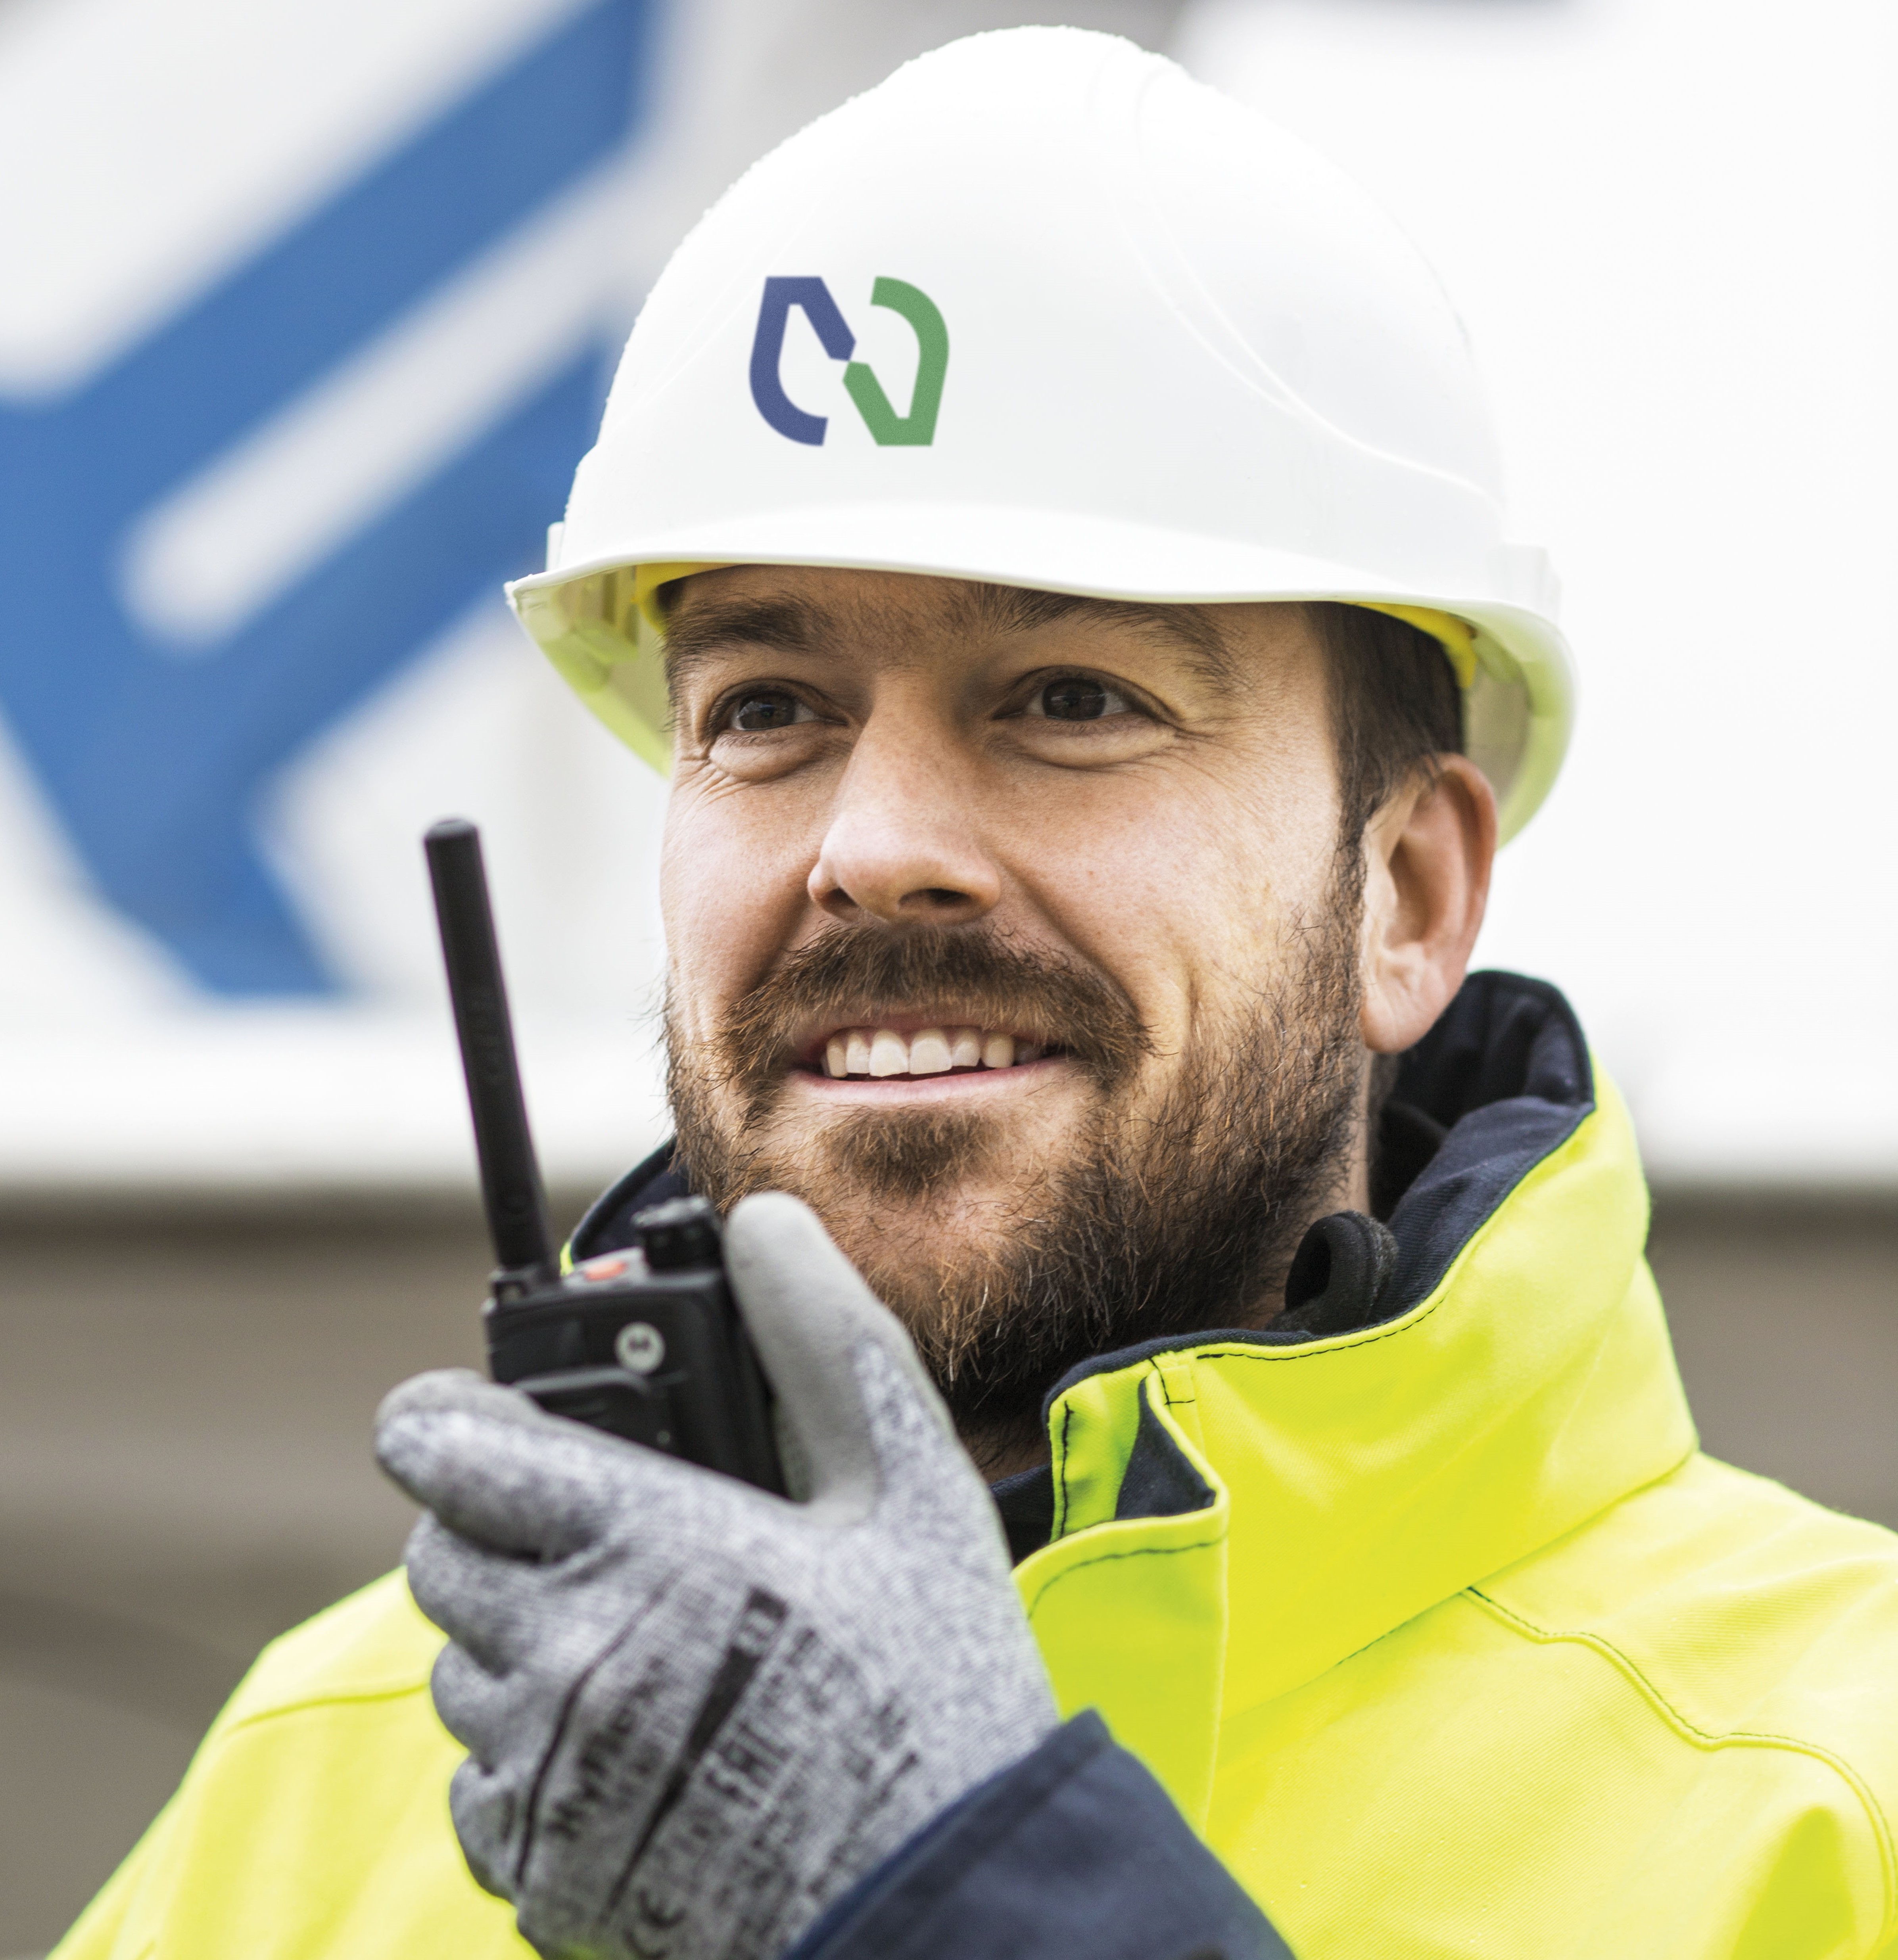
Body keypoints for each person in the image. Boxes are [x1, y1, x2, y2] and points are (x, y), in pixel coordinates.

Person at [55, 27, 1898, 1960]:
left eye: (1071, 700)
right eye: (768, 711)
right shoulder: (314, 1791)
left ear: (1408, 896)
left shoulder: (1824, 1810)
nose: (874, 844)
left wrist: (952, 1901)